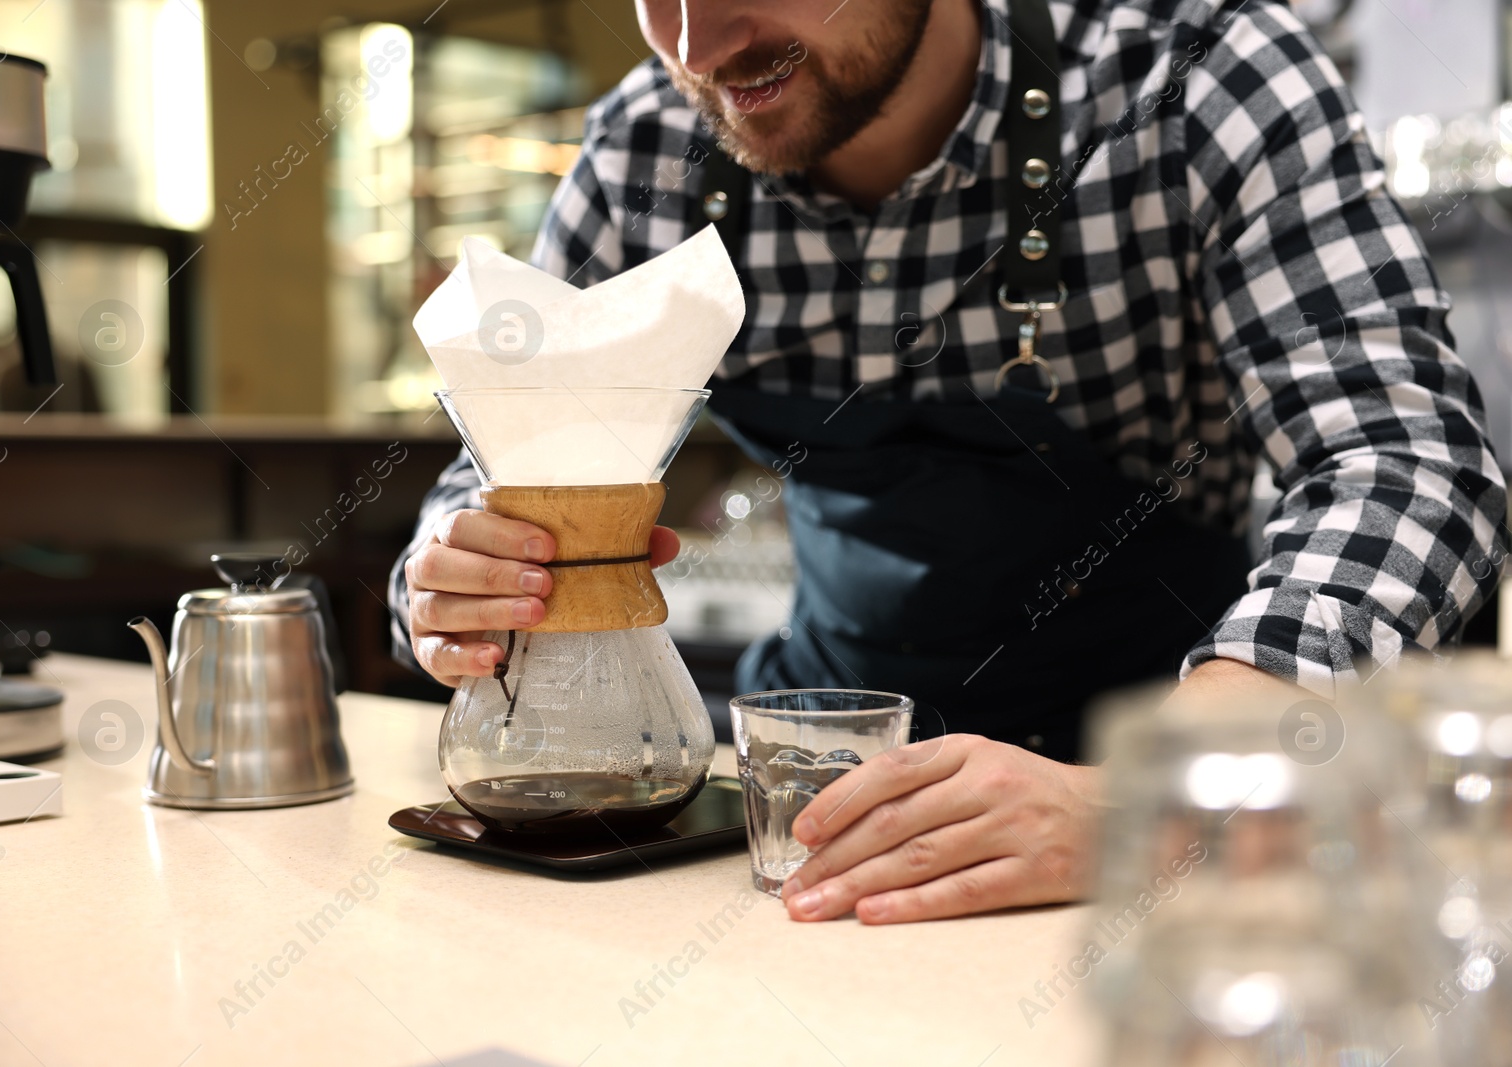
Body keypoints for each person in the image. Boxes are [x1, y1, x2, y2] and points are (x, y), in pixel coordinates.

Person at [390, 0, 1508, 923]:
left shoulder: (1194, 76)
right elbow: (483, 483)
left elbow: (1409, 465)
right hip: (813, 834)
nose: (697, 43)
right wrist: (457, 577)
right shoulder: (648, 152)